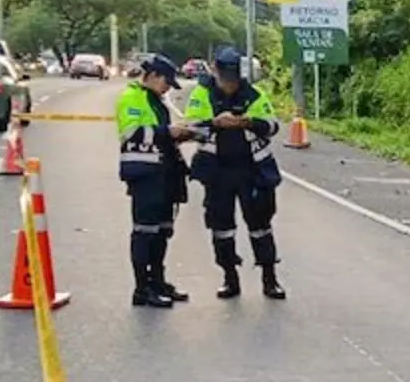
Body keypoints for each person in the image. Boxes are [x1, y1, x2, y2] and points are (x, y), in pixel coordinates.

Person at [184, 47, 286, 299]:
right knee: (221, 227)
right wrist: (215, 123)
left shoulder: (253, 94)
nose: (229, 84)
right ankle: (230, 277)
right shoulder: (202, 93)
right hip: (218, 171)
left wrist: (246, 122)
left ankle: (269, 278)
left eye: (233, 79)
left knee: (261, 225)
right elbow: (189, 128)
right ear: (215, 71)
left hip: (253, 170)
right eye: (225, 79)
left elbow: (272, 125)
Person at [116, 54, 193, 308]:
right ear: (152, 76)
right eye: (166, 82)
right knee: (144, 232)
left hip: (165, 174)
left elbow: (160, 136)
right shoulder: (133, 98)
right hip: (145, 175)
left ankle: (158, 281)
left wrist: (180, 135)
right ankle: (142, 288)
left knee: (162, 231)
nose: (168, 88)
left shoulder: (156, 101)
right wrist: (167, 132)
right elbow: (132, 133)